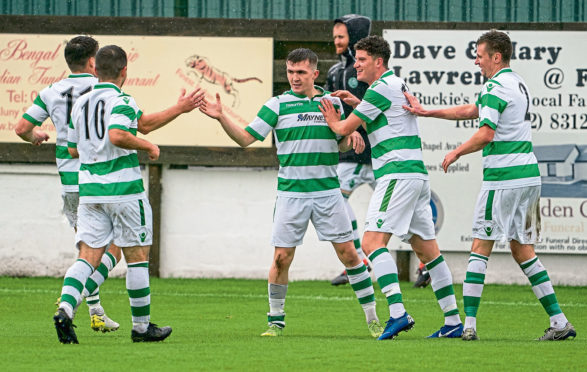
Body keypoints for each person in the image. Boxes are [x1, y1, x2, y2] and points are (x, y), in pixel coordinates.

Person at [402, 29, 576, 341]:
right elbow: (471, 110)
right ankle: (560, 322)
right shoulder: (516, 83)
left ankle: (467, 326)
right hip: (528, 175)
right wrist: (426, 111)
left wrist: (455, 152)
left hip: (504, 178)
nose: (476, 61)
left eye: (480, 55)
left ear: (496, 56)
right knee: (522, 249)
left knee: (480, 247)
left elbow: (486, 133)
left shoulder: (496, 86)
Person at [198, 48, 384, 338]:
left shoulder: (331, 102)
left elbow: (342, 143)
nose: (294, 78)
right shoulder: (277, 105)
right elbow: (246, 138)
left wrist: (350, 137)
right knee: (281, 259)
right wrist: (221, 117)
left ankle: (373, 320)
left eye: (300, 72)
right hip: (291, 195)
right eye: (290, 72)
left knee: (349, 255)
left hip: (327, 193)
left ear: (314, 73)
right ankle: (275, 321)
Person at [53, 44, 204, 344]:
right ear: (124, 71)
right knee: (137, 258)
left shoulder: (80, 103)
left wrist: (179, 108)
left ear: (95, 70)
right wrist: (149, 147)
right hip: (122, 189)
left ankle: (65, 310)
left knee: (87, 257)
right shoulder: (121, 99)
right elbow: (119, 134)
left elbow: (72, 148)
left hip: (91, 192)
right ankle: (141, 327)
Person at [319, 35, 463, 340]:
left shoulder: (380, 88)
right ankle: (453, 322)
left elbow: (344, 130)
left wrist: (333, 116)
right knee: (429, 252)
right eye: (355, 59)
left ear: (378, 62)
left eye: (360, 60)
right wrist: (357, 104)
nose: (355, 64)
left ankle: (397, 314)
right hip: (415, 176)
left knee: (371, 243)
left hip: (396, 175)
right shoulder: (394, 85)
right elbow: (383, 120)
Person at [15, 36, 122, 332]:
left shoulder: (51, 91)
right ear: (92, 62)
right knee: (113, 250)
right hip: (101, 177)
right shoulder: (104, 90)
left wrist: (35, 136)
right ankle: (69, 301)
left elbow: (22, 128)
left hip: (70, 181)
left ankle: (95, 311)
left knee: (87, 250)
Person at [325, 14, 375, 286]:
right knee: (337, 199)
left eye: (341, 36)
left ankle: (426, 263)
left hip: (378, 155)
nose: (336, 41)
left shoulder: (372, 73)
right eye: (334, 36)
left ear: (355, 38)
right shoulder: (334, 73)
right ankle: (358, 260)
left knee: (405, 209)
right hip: (349, 154)